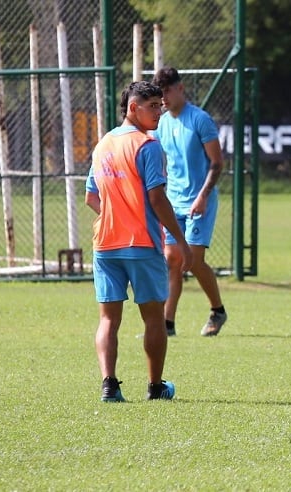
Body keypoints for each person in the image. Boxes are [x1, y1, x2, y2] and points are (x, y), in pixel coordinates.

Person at [86, 80, 193, 402]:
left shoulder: (102, 144)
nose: (159, 111)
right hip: (141, 244)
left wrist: (116, 214)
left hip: (105, 245)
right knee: (153, 318)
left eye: (161, 105)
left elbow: (91, 197)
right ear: (134, 108)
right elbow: (157, 198)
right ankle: (155, 387)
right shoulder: (148, 146)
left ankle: (109, 385)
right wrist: (181, 241)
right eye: (153, 106)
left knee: (108, 319)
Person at [151, 67, 227, 337]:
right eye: (160, 95)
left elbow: (217, 163)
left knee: (193, 260)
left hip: (199, 201)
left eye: (168, 92)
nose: (164, 99)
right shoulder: (161, 123)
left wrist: (203, 196)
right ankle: (166, 324)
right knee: (172, 259)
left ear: (180, 88)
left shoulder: (200, 120)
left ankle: (217, 310)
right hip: (174, 201)